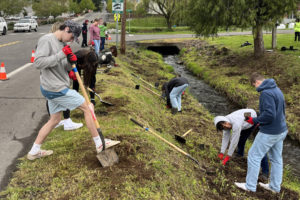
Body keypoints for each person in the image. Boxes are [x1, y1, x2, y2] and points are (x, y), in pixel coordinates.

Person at [27, 20, 119, 161]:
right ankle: (100, 143)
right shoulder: (46, 40)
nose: (71, 41)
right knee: (88, 108)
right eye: (71, 37)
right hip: (55, 88)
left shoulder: (63, 44)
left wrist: (70, 63)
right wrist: (61, 55)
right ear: (67, 30)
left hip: (55, 86)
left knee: (55, 119)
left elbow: (63, 65)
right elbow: (38, 63)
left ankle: (34, 152)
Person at [235, 72, 288, 193]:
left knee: (253, 156)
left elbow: (269, 115)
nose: (256, 89)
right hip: (281, 130)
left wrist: (254, 120)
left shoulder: (265, 93)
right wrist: (260, 120)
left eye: (254, 86)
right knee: (276, 159)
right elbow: (280, 110)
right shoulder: (276, 89)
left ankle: (250, 186)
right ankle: (274, 187)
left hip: (270, 132)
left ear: (256, 82)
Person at [213, 109, 269, 180]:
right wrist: (222, 152)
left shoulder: (236, 123)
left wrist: (228, 156)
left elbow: (234, 141)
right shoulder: (226, 123)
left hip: (255, 120)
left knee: (260, 147)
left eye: (225, 123)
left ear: (225, 120)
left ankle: (265, 173)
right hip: (245, 124)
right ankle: (239, 154)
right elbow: (225, 138)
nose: (226, 126)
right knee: (241, 141)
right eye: (223, 127)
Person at [48, 22, 83, 131]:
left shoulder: (60, 42)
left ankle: (56, 120)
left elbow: (64, 60)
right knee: (60, 95)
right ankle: (66, 121)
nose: (70, 39)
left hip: (58, 76)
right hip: (54, 77)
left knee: (52, 98)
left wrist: (70, 69)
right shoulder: (50, 43)